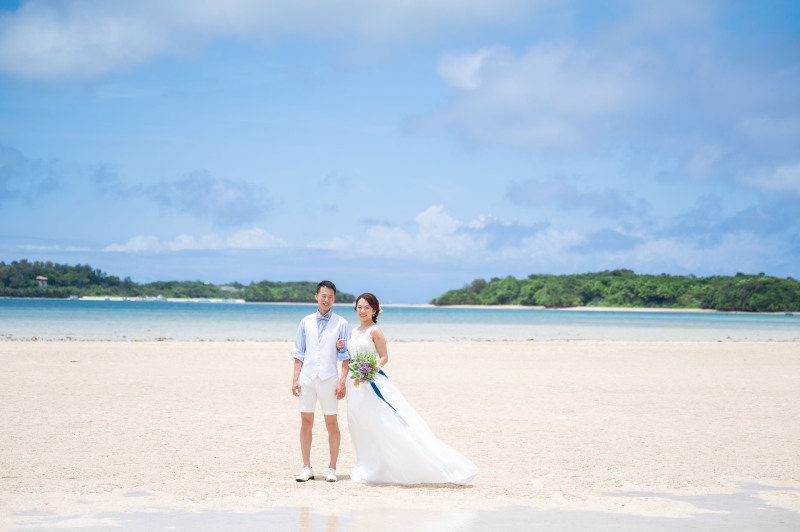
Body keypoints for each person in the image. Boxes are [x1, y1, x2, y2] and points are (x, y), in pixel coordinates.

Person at [337, 292, 477, 484]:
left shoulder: (375, 330)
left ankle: (387, 467)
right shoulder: (352, 332)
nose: (362, 311)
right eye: (359, 307)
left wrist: (368, 372)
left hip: (371, 382)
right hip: (354, 386)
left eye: (367, 308)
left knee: (382, 423)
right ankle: (367, 464)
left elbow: (384, 357)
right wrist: (341, 347)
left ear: (375, 310)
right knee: (360, 425)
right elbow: (349, 355)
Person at [291, 280, 350, 482]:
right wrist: (295, 379)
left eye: (330, 296)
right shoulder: (305, 321)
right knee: (305, 422)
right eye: (323, 295)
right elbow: (299, 353)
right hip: (307, 378)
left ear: (334, 298)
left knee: (331, 423)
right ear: (316, 296)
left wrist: (342, 381)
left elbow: (345, 356)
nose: (327, 299)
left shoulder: (341, 323)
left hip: (329, 379)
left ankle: (332, 468)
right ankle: (306, 467)